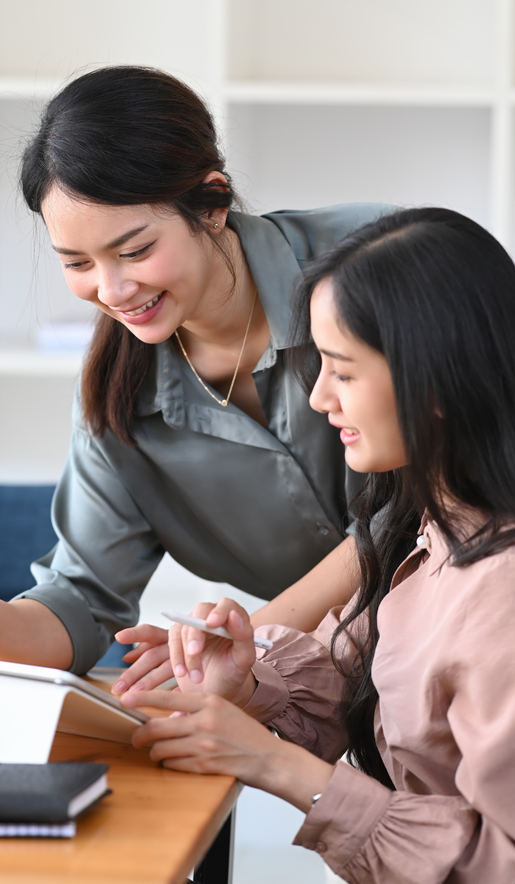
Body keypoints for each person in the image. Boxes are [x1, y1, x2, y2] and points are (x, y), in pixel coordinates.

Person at [0, 66, 388, 675]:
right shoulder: (116, 390)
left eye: (135, 251)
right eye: (77, 263)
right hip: (338, 686)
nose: (113, 289)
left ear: (212, 203)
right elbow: (82, 600)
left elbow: (431, 503)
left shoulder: (378, 256)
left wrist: (248, 644)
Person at [121, 207, 515, 883]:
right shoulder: (431, 525)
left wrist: (274, 765)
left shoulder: (499, 593)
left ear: (437, 384)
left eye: (342, 370)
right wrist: (246, 681)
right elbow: (357, 671)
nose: (318, 398)